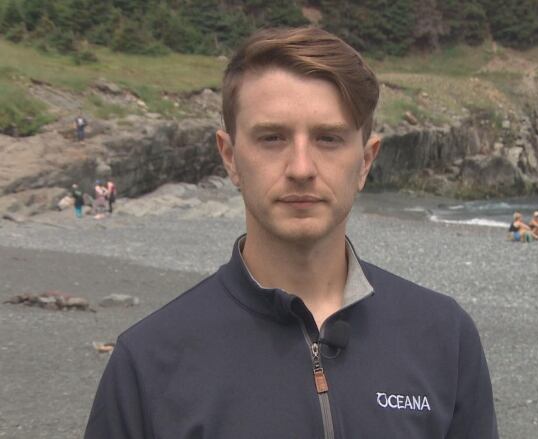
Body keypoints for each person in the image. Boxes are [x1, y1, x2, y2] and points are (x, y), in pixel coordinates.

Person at [85, 27, 497, 439]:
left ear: (366, 161)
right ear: (230, 158)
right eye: (272, 138)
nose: (301, 168)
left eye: (328, 139)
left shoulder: (444, 336)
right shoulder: (148, 361)